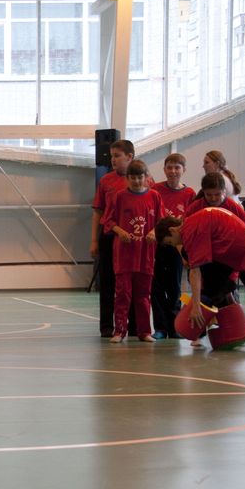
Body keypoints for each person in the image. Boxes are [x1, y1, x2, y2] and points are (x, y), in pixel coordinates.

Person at [187, 173, 245, 327]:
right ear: (203, 192)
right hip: (212, 253)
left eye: (217, 194)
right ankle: (218, 315)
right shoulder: (196, 207)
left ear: (224, 191)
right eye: (209, 195)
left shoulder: (232, 205)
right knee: (215, 283)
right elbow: (185, 228)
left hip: (234, 250)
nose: (213, 198)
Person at [155, 207, 245, 331]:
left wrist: (196, 307)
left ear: (172, 230)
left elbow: (195, 272)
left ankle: (213, 308)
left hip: (235, 245)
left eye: (170, 242)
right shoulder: (190, 223)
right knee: (209, 280)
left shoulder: (190, 232)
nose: (173, 245)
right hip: (236, 241)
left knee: (210, 287)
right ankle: (227, 303)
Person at [90, 139, 149, 338]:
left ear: (130, 156)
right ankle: (107, 326)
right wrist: (94, 240)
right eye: (111, 156)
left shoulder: (146, 180)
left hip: (136, 240)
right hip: (111, 236)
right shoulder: (106, 181)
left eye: (117, 156)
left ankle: (135, 326)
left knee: (134, 284)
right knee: (108, 282)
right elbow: (98, 212)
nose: (113, 160)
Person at [101, 160, 162, 343]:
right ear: (127, 178)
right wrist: (120, 231)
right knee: (123, 294)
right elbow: (108, 221)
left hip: (145, 254)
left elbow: (161, 222)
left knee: (143, 294)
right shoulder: (119, 196)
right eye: (133, 178)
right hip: (124, 254)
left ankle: (144, 331)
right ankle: (119, 331)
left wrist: (154, 232)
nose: (136, 181)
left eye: (140, 177)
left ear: (146, 177)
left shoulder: (155, 196)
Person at [151, 153, 195, 339]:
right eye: (169, 167)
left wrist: (184, 250)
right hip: (158, 246)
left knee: (175, 288)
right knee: (156, 288)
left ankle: (175, 326)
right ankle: (160, 328)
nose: (173, 171)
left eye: (177, 167)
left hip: (177, 246)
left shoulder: (189, 194)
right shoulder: (155, 190)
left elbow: (190, 222)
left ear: (184, 170)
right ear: (164, 169)